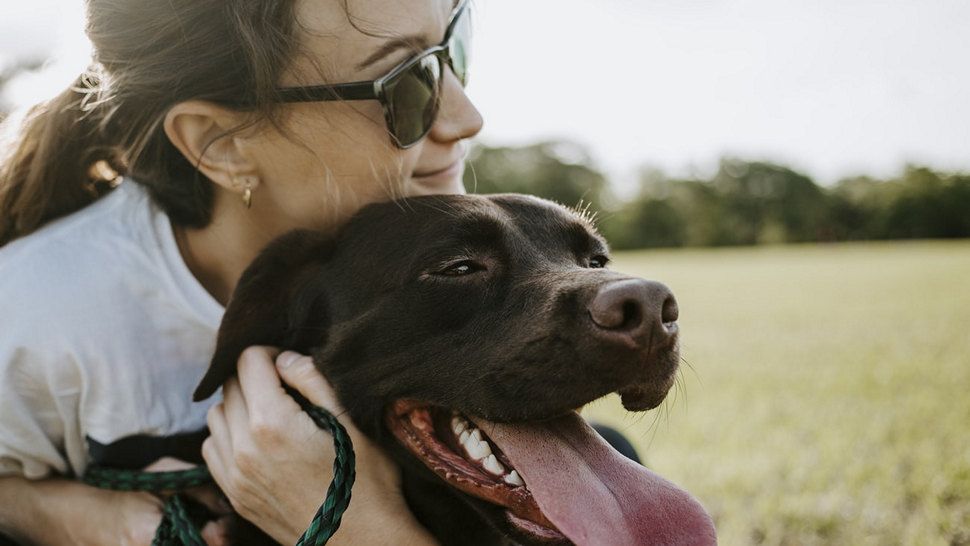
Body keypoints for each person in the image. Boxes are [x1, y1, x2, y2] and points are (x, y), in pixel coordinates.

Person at [0, 0, 479, 543]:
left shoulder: (451, 267)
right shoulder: (32, 314)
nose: (467, 117)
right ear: (220, 144)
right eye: (407, 83)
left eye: (452, 48)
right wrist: (71, 516)